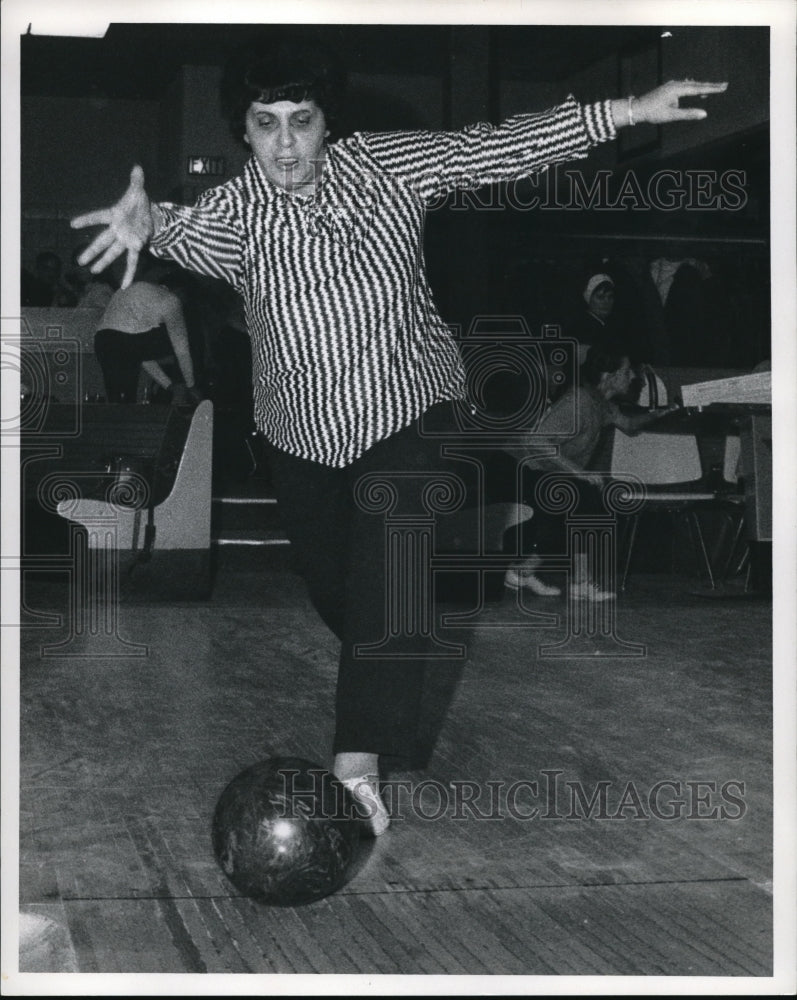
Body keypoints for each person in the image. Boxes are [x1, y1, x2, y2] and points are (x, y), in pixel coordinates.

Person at [71, 33, 727, 834]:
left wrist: (622, 111)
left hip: (409, 411)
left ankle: (358, 765)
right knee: (338, 587)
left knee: (390, 560)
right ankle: (394, 646)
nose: (285, 143)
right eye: (266, 122)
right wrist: (153, 222)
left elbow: (492, 149)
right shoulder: (231, 213)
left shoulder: (388, 167)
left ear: (326, 122)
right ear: (243, 131)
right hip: (300, 432)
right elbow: (177, 229)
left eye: (302, 120)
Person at [504, 347, 677, 600]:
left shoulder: (601, 403)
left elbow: (628, 425)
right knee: (584, 500)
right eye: (626, 372)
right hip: (524, 472)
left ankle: (526, 573)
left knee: (579, 505)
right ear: (608, 374)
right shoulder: (578, 402)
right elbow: (537, 441)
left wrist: (662, 412)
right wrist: (579, 473)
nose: (632, 377)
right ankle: (573, 582)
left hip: (549, 474)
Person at [93, 256, 201, 404]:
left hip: (103, 341)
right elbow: (181, 349)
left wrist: (168, 386)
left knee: (120, 401)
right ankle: (181, 391)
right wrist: (191, 385)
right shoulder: (172, 300)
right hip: (128, 341)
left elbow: (140, 354)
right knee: (190, 336)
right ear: (181, 292)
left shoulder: (136, 290)